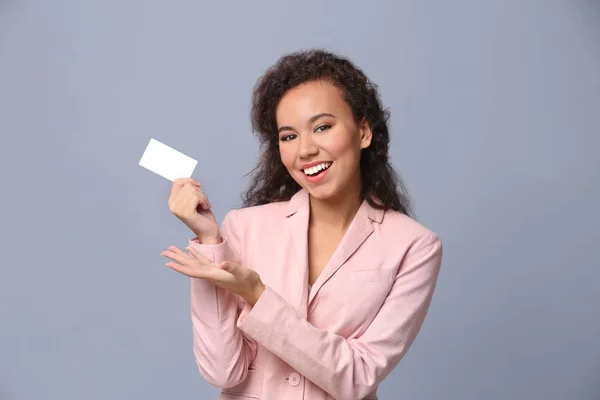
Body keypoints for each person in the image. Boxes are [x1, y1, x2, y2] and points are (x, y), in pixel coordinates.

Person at [160, 49, 443, 400]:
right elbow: (222, 371)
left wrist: (257, 296)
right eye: (289, 136)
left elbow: (356, 377)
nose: (305, 150)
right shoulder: (243, 228)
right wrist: (208, 240)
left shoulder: (414, 245)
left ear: (364, 131)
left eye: (322, 127)